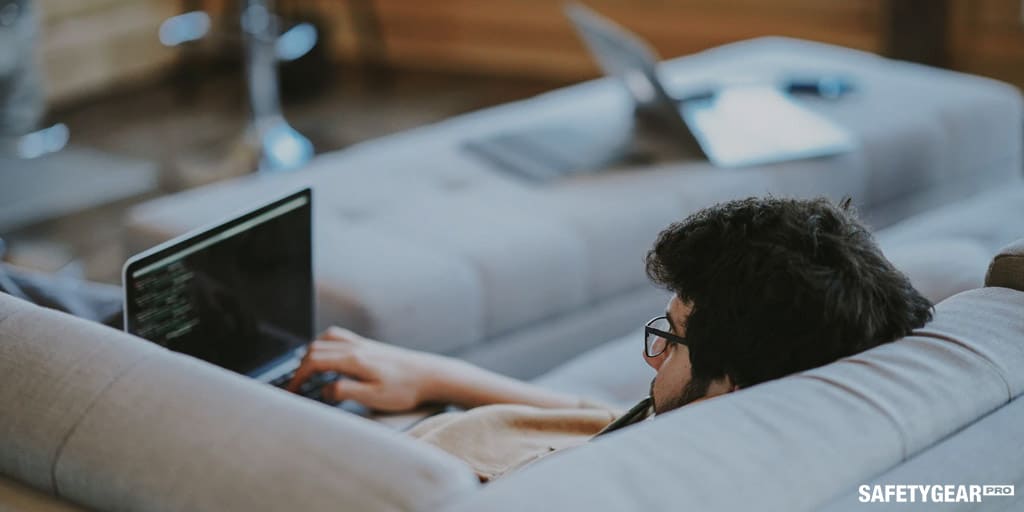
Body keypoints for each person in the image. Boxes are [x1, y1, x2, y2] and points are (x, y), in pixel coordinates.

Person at [288, 196, 934, 481]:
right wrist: (434, 374)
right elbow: (605, 419)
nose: (655, 359)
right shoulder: (772, 414)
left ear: (731, 384)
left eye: (673, 339)